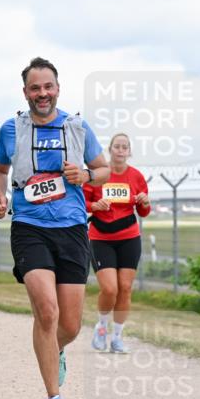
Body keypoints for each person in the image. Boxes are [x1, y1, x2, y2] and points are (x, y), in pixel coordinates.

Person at [0, 56, 110, 399]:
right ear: (25, 92)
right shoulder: (11, 129)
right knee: (47, 311)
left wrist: (87, 174)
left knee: (70, 325)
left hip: (72, 228)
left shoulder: (77, 128)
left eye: (48, 86)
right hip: (29, 226)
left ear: (58, 88)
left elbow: (104, 169)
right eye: (35, 88)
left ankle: (55, 349)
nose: (42, 93)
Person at [84, 133, 151, 354]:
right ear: (110, 150)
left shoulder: (137, 177)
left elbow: (144, 211)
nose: (121, 150)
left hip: (129, 237)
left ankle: (118, 338)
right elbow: (83, 202)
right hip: (101, 237)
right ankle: (102, 327)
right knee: (110, 289)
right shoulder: (99, 175)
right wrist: (96, 205)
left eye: (125, 147)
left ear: (129, 151)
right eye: (117, 146)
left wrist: (144, 202)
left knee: (125, 288)